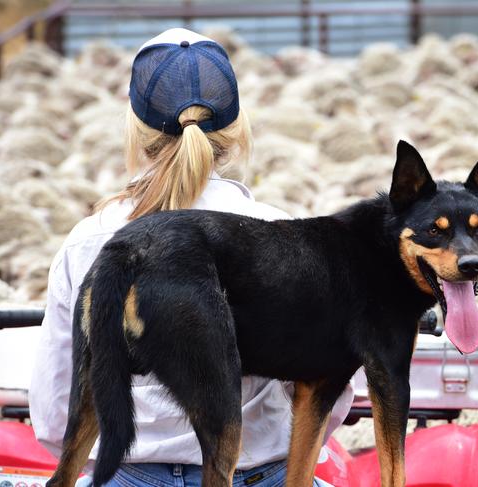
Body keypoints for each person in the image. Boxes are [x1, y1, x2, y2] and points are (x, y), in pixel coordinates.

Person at [30, 28, 353, 487]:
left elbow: (52, 410)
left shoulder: (90, 242)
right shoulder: (279, 233)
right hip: (260, 475)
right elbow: (328, 392)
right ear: (236, 129)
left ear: (135, 130)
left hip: (125, 476)